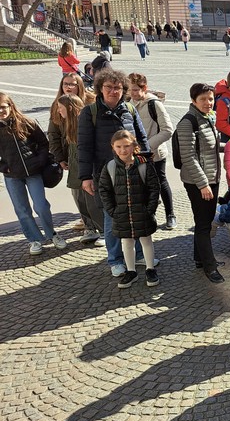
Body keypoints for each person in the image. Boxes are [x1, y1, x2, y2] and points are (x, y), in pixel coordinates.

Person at [78, 68, 152, 277]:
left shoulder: (129, 108)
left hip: (132, 172)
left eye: (117, 87)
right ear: (100, 89)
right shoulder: (89, 113)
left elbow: (141, 138)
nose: (113, 91)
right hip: (105, 175)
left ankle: (138, 254)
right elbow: (84, 147)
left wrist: (146, 164)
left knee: (136, 214)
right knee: (112, 219)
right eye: (109, 87)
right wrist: (85, 177)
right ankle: (115, 259)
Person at [0, 92, 66, 256]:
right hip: (12, 176)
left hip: (33, 172)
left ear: (10, 106)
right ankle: (34, 239)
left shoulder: (26, 122)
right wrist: (3, 168)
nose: (0, 111)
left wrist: (39, 161)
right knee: (22, 209)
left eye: (2, 107)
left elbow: (44, 143)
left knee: (41, 206)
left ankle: (52, 234)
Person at [98, 131, 160, 289]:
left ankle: (150, 269)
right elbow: (104, 190)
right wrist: (112, 211)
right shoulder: (110, 167)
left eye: (126, 146)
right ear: (113, 147)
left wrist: (150, 209)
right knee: (126, 242)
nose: (122, 150)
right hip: (121, 213)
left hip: (142, 211)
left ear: (134, 146)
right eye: (118, 147)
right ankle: (131, 271)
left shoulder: (144, 165)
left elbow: (154, 188)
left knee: (146, 240)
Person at [175, 83, 224, 284]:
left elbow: (210, 148)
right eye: (203, 99)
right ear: (194, 100)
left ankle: (199, 258)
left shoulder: (206, 118)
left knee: (203, 220)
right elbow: (188, 157)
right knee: (204, 224)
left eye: (211, 98)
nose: (208, 102)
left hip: (212, 177)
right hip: (198, 181)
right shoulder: (188, 122)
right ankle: (210, 266)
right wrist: (203, 184)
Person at [53, 94, 104, 243]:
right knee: (79, 199)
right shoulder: (66, 123)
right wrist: (62, 159)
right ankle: (90, 228)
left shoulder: (85, 121)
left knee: (92, 200)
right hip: (74, 166)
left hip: (86, 166)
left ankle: (103, 231)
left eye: (61, 108)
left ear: (69, 108)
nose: (59, 111)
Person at [128, 73, 176, 230]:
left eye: (135, 90)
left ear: (144, 88)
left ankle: (170, 215)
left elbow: (168, 130)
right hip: (135, 154)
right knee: (142, 186)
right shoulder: (128, 104)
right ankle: (149, 215)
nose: (132, 93)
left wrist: (148, 146)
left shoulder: (154, 104)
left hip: (155, 153)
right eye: (130, 90)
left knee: (160, 182)